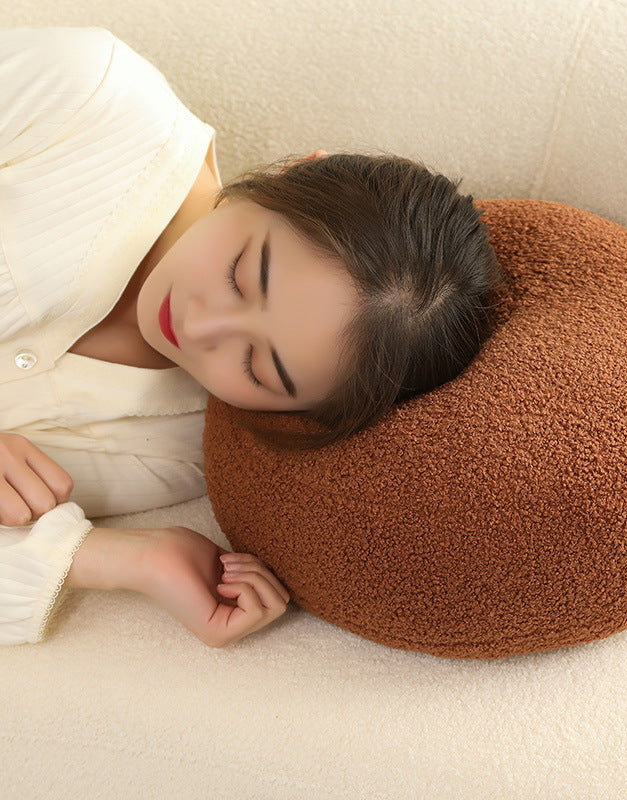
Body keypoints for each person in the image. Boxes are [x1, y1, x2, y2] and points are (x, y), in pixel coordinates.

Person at [0, 27, 500, 647]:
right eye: (245, 273)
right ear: (295, 172)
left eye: (260, 367)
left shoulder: (176, 450)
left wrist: (115, 559)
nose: (200, 326)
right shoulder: (85, 100)